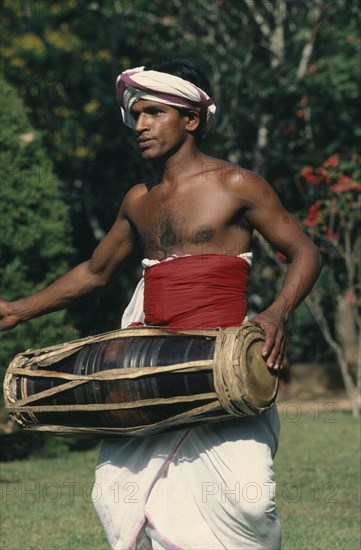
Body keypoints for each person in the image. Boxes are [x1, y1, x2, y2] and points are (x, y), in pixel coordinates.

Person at [0, 58, 321, 549]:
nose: (140, 125)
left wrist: (276, 313)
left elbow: (305, 251)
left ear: (190, 119)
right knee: (118, 493)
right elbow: (95, 272)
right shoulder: (138, 200)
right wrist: (18, 310)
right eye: (135, 115)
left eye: (153, 113)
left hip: (221, 365)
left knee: (249, 502)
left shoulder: (236, 185)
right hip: (150, 368)